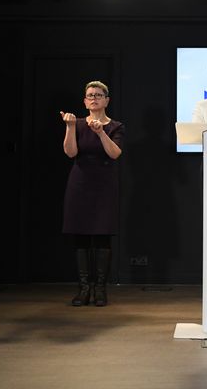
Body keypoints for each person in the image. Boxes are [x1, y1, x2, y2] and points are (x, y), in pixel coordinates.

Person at [60, 81, 125, 307]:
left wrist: (100, 133)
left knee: (102, 235)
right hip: (80, 182)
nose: (94, 98)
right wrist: (69, 128)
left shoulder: (115, 126)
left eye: (99, 95)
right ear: (85, 101)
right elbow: (70, 153)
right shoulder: (76, 123)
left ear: (107, 100)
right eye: (90, 95)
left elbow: (115, 153)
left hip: (104, 183)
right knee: (80, 235)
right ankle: (84, 289)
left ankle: (99, 290)